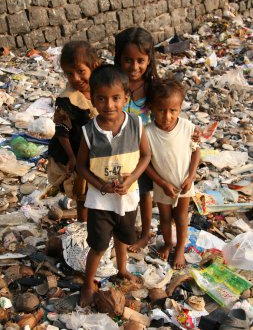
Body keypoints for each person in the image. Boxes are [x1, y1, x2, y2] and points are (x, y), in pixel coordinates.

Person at [76, 64, 151, 306]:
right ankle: (88, 284)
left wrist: (130, 181)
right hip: (100, 201)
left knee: (123, 237)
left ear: (126, 98)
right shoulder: (89, 131)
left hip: (128, 198)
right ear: (93, 99)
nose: (109, 105)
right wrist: (100, 185)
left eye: (116, 98)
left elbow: (146, 156)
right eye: (102, 99)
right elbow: (81, 167)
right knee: (98, 245)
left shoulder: (136, 125)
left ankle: (122, 269)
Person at [145, 78, 200, 269]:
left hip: (184, 183)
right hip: (162, 185)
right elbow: (145, 164)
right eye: (161, 110)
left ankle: (179, 250)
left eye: (173, 111)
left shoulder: (188, 128)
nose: (167, 116)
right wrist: (161, 182)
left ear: (180, 108)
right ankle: (169, 243)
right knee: (165, 218)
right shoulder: (148, 133)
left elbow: (196, 151)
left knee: (182, 217)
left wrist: (191, 177)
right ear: (151, 107)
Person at [114, 27, 159, 252]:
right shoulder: (115, 83)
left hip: (142, 150)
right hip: (117, 148)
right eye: (128, 60)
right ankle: (122, 231)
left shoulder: (151, 88)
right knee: (121, 190)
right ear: (118, 59)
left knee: (144, 191)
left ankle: (146, 232)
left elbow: (165, 114)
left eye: (140, 60)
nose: (134, 67)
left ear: (149, 60)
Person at [47, 41, 99, 222]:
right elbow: (62, 130)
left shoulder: (102, 91)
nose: (76, 78)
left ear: (94, 67)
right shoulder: (67, 100)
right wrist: (72, 157)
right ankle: (83, 226)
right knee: (81, 193)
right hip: (75, 150)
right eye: (70, 74)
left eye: (81, 71)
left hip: (97, 151)